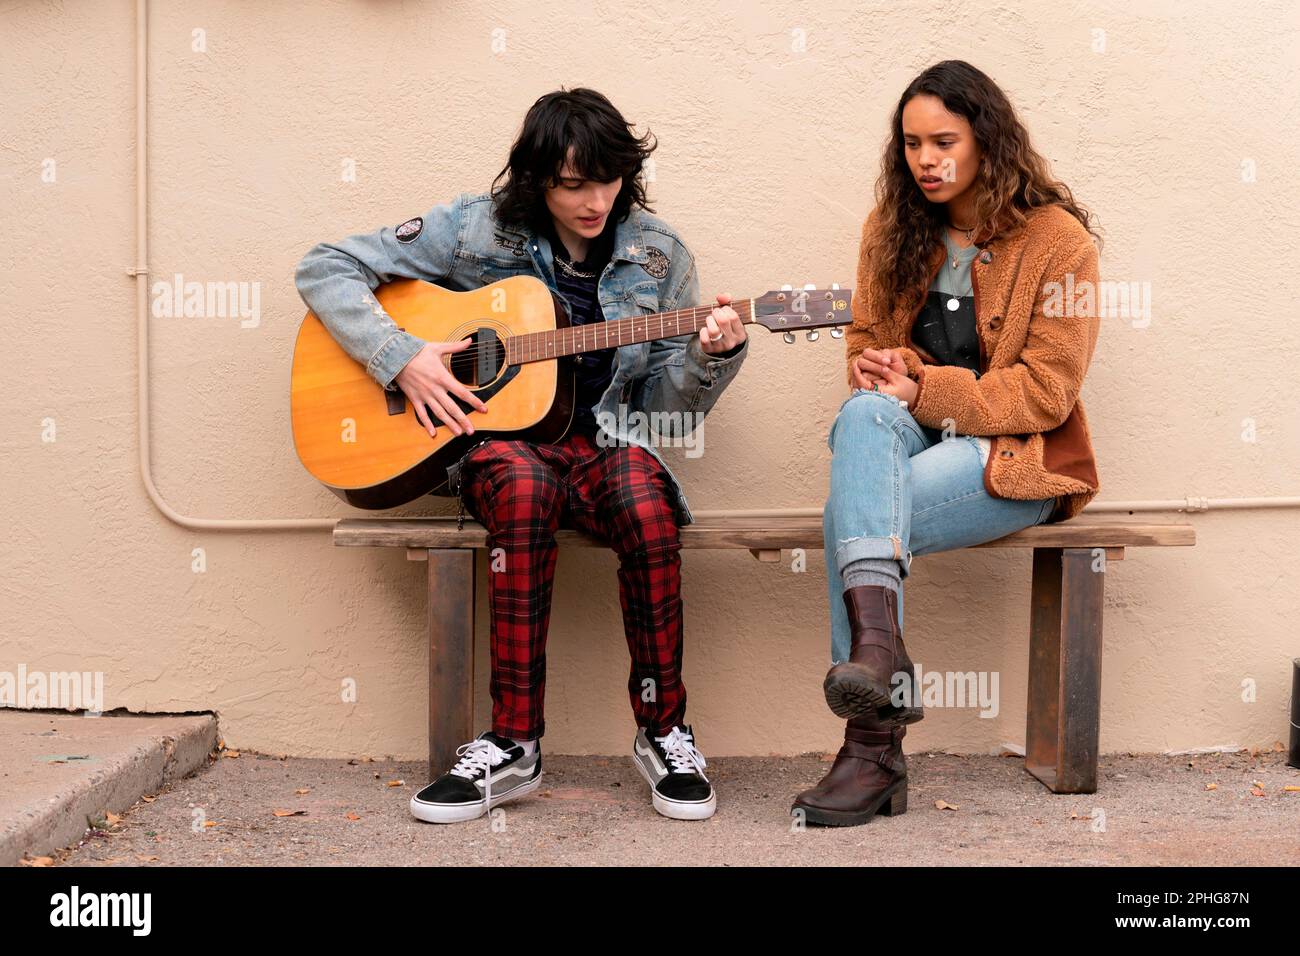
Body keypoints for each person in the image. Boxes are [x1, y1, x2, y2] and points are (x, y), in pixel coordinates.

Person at [295, 88, 748, 824]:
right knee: (521, 486)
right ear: (539, 178)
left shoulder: (660, 256)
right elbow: (326, 266)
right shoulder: (476, 228)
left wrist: (708, 356)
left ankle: (664, 731)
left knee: (644, 496)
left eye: (607, 180)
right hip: (502, 450)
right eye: (573, 184)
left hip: (606, 444)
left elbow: (670, 416)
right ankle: (513, 745)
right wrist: (402, 357)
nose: (594, 199)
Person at [791, 60, 1104, 827]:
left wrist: (927, 389)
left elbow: (1047, 391)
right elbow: (866, 342)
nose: (926, 160)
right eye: (911, 144)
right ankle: (880, 665)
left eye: (944, 141)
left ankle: (872, 744)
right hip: (904, 440)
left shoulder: (1060, 244)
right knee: (863, 416)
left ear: (987, 141)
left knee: (851, 519)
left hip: (1014, 458)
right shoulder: (891, 229)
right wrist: (884, 366)